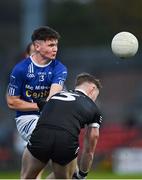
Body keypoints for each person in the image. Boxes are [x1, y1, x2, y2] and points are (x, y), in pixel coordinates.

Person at [21, 73, 102, 179]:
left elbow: (42, 106)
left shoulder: (55, 96)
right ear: (92, 88)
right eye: (96, 95)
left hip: (41, 135)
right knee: (66, 177)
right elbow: (89, 149)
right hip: (65, 140)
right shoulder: (93, 108)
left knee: (26, 177)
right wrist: (82, 174)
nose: (94, 99)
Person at [6, 26, 67, 143]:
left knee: (64, 141)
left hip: (50, 116)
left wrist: (46, 104)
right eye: (51, 45)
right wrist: (39, 105)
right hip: (26, 118)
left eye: (56, 45)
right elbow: (12, 102)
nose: (55, 49)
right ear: (37, 46)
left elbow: (52, 97)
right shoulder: (20, 69)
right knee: (45, 136)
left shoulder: (60, 68)